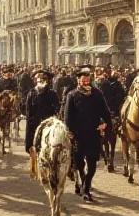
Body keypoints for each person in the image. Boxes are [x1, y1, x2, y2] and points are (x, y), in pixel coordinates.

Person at [64, 66, 111, 202]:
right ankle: (83, 180)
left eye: (87, 80)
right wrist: (70, 132)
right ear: (78, 81)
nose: (86, 83)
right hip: (78, 135)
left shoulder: (97, 94)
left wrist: (106, 123)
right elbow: (68, 117)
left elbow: (105, 111)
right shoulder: (72, 95)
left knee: (92, 164)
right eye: (83, 81)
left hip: (93, 133)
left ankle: (86, 187)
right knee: (79, 163)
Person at [25, 69, 60, 154]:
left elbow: (56, 108)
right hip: (35, 123)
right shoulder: (32, 94)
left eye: (43, 80)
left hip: (48, 123)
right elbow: (29, 112)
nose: (41, 81)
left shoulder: (52, 94)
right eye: (39, 80)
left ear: (47, 81)